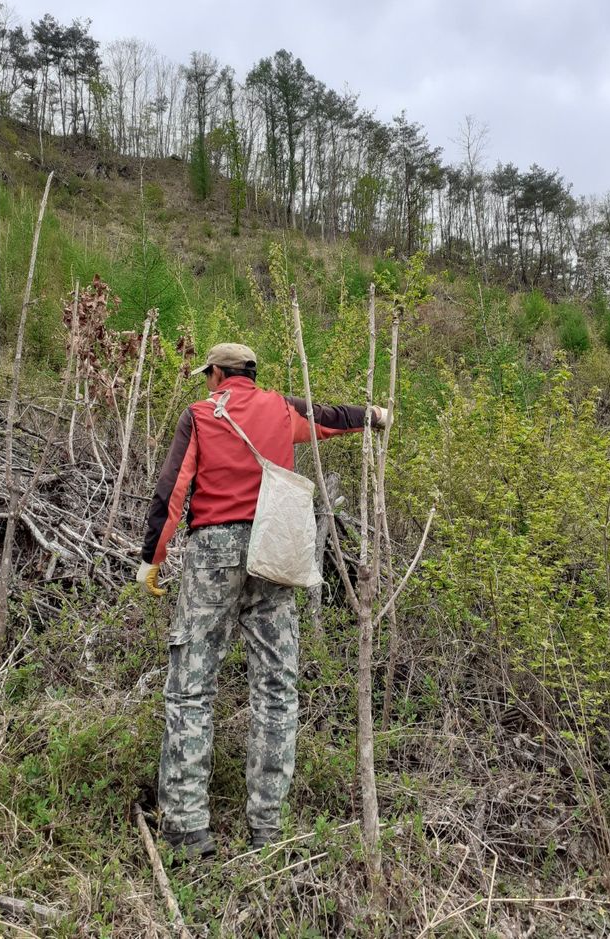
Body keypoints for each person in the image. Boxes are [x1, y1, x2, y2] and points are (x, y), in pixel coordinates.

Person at [137, 342, 385, 859]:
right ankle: (268, 830)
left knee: (191, 690)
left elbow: (172, 490)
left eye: (210, 375)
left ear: (220, 374)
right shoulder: (281, 408)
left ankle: (185, 830)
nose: (208, 382)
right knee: (276, 690)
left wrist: (152, 558)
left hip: (214, 554)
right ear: (251, 373)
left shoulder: (202, 415)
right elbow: (333, 418)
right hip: (276, 549)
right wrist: (375, 416)